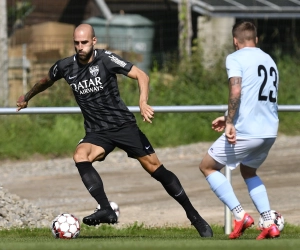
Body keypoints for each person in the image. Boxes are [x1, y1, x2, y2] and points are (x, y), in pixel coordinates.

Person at [16, 23, 213, 237]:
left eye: (84, 42)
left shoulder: (106, 59)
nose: (79, 47)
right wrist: (26, 97)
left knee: (157, 170)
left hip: (123, 126)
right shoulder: (64, 66)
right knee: (80, 155)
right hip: (97, 132)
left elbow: (141, 75)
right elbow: (46, 81)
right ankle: (106, 209)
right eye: (76, 43)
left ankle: (195, 217)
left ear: (93, 41)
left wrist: (143, 102)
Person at [198, 20, 280, 240]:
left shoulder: (235, 57)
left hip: (247, 131)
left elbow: (236, 90)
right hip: (269, 132)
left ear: (235, 41)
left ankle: (240, 215)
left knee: (207, 166)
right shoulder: (269, 59)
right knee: (248, 171)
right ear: (257, 39)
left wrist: (231, 122)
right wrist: (227, 117)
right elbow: (256, 99)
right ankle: (270, 222)